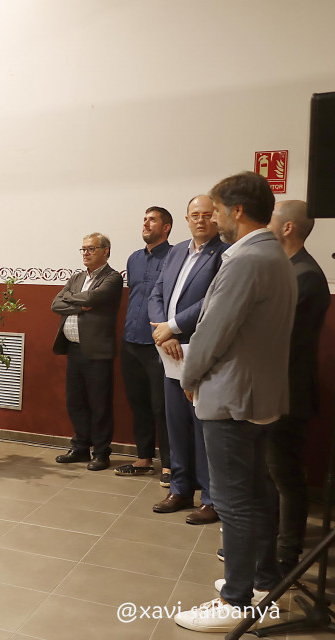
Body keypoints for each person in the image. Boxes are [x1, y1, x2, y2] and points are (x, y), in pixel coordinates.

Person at [173, 172, 295, 633]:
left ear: (237, 211)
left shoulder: (245, 259)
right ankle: (262, 581)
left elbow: (213, 331)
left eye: (219, 210)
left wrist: (190, 375)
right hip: (258, 393)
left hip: (232, 395)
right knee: (257, 490)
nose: (216, 218)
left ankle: (236, 600)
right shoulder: (273, 254)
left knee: (233, 499)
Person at [148, 194, 227, 525]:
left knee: (202, 428)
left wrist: (174, 327)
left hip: (200, 351)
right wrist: (163, 332)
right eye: (195, 215)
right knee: (176, 425)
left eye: (207, 214)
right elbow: (156, 293)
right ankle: (180, 489)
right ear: (186, 219)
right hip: (169, 351)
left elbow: (213, 300)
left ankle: (210, 499)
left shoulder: (224, 253)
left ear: (216, 218)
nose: (200, 220)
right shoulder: (177, 250)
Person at [265, 199, 330, 577]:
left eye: (272, 220)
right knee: (271, 472)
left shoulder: (305, 275)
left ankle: (286, 555)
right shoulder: (287, 268)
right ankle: (268, 543)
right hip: (274, 387)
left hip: (288, 391)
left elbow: (280, 339)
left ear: (288, 228)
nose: (267, 225)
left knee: (285, 475)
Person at [51, 232, 123, 471]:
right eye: (83, 249)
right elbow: (55, 304)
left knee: (99, 404)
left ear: (105, 251)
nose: (86, 253)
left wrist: (72, 299)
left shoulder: (112, 278)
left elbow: (93, 297)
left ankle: (101, 452)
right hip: (74, 349)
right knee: (75, 401)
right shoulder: (76, 278)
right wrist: (81, 305)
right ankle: (81, 447)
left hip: (97, 351)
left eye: (91, 249)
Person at [115, 207, 172, 480]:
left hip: (159, 344)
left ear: (167, 227)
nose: (146, 223)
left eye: (153, 220)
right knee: (138, 404)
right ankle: (144, 458)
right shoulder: (134, 259)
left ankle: (170, 465)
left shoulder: (175, 257)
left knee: (162, 407)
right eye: (145, 219)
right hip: (130, 341)